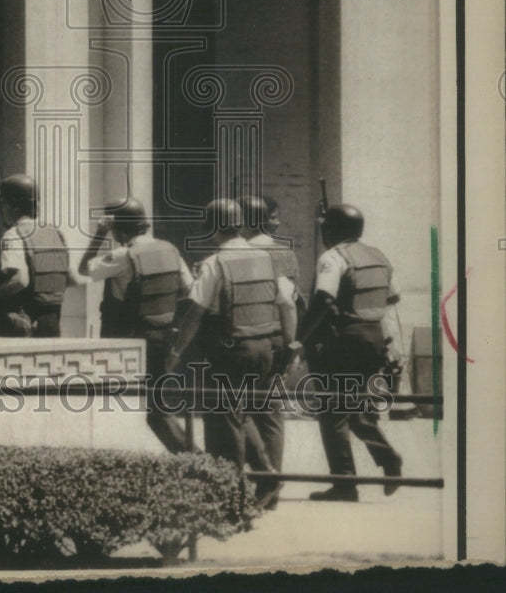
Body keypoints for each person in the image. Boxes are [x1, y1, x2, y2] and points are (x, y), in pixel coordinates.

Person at [166, 199, 297, 502]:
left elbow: (195, 313)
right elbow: (287, 303)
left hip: (230, 351)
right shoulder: (267, 258)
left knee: (224, 422)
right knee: (244, 414)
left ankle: (231, 496)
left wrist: (176, 351)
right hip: (267, 347)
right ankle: (266, 477)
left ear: (213, 228)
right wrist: (289, 347)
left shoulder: (215, 263)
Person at [298, 203, 403, 501]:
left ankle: (345, 483)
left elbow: (323, 299)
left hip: (341, 341)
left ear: (329, 230)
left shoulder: (332, 257)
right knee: (358, 410)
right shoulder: (378, 256)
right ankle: (388, 459)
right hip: (372, 338)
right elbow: (392, 298)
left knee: (333, 412)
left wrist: (299, 338)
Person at [79, 196, 193, 453]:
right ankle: (193, 459)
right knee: (157, 407)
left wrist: (99, 234)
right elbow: (187, 290)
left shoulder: (123, 255)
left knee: (126, 409)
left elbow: (84, 269)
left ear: (118, 228)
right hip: (163, 338)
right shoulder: (170, 249)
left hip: (129, 343)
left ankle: (194, 459)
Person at [237, 195, 303, 489]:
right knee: (272, 414)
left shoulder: (236, 254)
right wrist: (293, 345)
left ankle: (255, 479)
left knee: (236, 410)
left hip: (246, 338)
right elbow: (292, 301)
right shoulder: (286, 254)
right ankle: (272, 482)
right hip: (279, 337)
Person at [0, 173, 77, 337]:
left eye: (3, 204)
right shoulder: (55, 233)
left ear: (14, 207)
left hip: (21, 326)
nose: (2, 209)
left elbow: (20, 280)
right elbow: (70, 279)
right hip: (52, 326)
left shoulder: (13, 235)